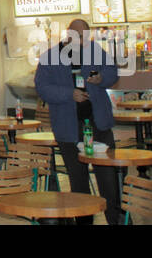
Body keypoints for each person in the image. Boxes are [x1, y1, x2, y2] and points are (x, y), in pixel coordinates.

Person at [34, 18, 120, 225]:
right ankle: (84, 221)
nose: (83, 41)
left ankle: (115, 219)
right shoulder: (51, 57)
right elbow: (42, 87)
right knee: (78, 180)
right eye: (79, 36)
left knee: (108, 178)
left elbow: (111, 72)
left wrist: (101, 79)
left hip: (98, 124)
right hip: (68, 128)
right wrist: (68, 94)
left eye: (86, 37)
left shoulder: (95, 51)